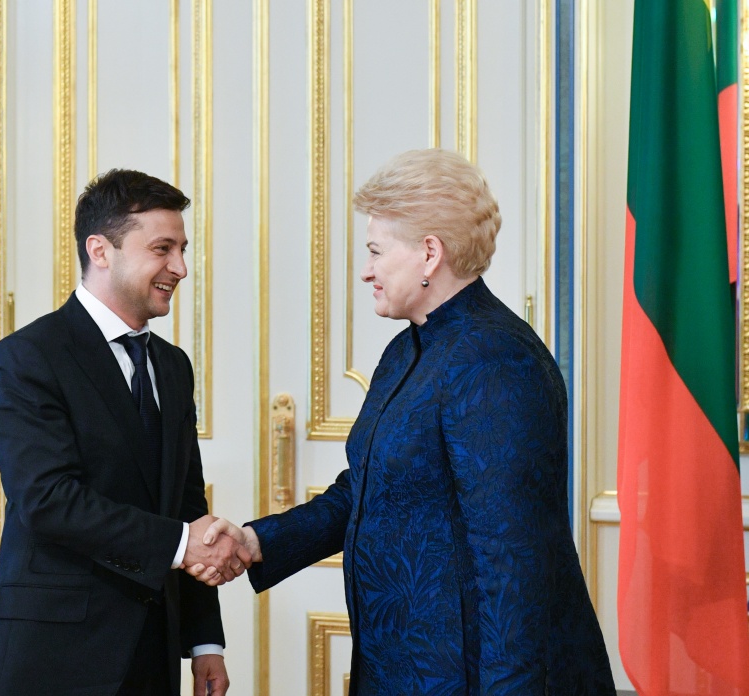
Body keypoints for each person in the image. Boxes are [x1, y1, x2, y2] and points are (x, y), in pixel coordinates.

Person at [193, 149, 616, 694]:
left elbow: (511, 563)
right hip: (404, 667)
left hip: (467, 677)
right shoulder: (406, 350)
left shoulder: (494, 359)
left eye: (376, 251)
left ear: (430, 254)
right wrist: (257, 542)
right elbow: (366, 491)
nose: (366, 270)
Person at [0, 169, 252, 696]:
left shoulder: (173, 365)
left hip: (153, 655)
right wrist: (182, 544)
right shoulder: (28, 358)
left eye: (182, 250)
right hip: (54, 660)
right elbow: (49, 500)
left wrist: (204, 643)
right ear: (100, 250)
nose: (180, 268)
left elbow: (187, 504)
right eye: (163, 249)